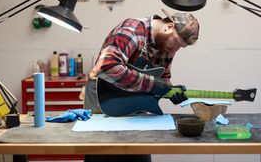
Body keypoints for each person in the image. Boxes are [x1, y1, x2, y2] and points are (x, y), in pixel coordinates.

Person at [81, 9, 199, 162]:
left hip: (134, 104)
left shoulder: (167, 45)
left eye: (181, 47)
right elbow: (107, 67)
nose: (175, 50)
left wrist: (169, 90)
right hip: (103, 100)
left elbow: (162, 77)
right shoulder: (133, 30)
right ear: (169, 27)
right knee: (103, 155)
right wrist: (151, 84)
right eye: (176, 43)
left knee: (138, 156)